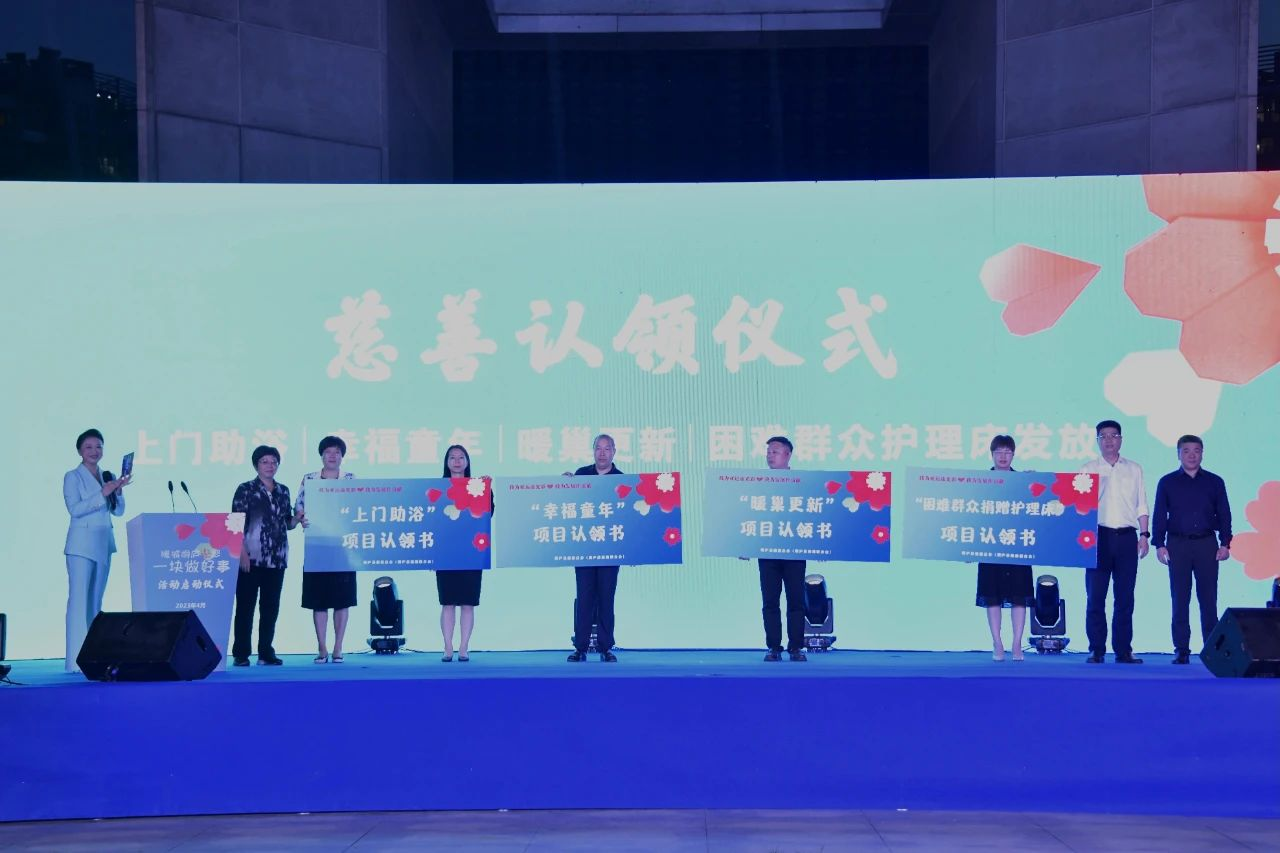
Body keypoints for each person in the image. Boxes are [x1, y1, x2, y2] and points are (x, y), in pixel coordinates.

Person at [1152, 435, 1233, 665]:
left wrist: (1225, 543)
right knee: (1180, 598)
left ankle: (1211, 650)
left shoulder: (1215, 482)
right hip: (1177, 545)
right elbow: (1159, 515)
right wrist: (1159, 544)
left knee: (1208, 599)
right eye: (1186, 450)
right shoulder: (1167, 482)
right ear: (1178, 454)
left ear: (1202, 453)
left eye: (1196, 450)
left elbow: (1224, 514)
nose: (1191, 455)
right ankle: (1181, 650)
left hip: (1207, 544)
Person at [1079, 420, 1150, 664]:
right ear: (1097, 440)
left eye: (1114, 435)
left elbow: (1141, 504)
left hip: (1127, 537)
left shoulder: (1134, 469)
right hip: (1097, 538)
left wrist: (1144, 535)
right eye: (1104, 436)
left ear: (1121, 439)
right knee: (1095, 596)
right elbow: (1079, 506)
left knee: (1125, 597)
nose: (1109, 440)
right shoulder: (1088, 469)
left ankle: (1123, 650)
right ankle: (1096, 649)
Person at [62, 428, 130, 673]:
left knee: (95, 602)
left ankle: (93, 656)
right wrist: (103, 493)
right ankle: (74, 660)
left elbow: (118, 511)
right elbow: (75, 509)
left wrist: (117, 492)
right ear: (80, 451)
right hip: (81, 545)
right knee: (79, 600)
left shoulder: (106, 475)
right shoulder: (73, 476)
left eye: (98, 446)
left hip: (103, 543)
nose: (94, 451)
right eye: (89, 447)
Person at [231, 445, 301, 666]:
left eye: (274, 462)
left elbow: (287, 523)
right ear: (256, 465)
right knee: (245, 606)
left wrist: (296, 519)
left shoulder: (283, 491)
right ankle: (241, 653)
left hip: (277, 557)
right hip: (251, 557)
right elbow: (235, 523)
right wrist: (241, 553)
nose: (270, 466)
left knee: (270, 608)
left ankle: (265, 652)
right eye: (265, 462)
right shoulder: (245, 489)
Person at [297, 436, 356, 664]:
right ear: (321, 455)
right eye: (328, 452)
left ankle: (338, 647)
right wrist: (301, 517)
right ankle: (322, 647)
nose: (332, 456)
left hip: (343, 546)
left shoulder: (350, 479)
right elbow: (299, 506)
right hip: (317, 546)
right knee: (318, 599)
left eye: (337, 452)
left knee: (342, 599)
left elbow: (358, 508)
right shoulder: (310, 479)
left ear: (342, 456)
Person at [975, 435, 1033, 662]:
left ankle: (1017, 643)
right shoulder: (979, 483)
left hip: (1019, 546)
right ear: (991, 455)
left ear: (1013, 455)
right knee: (992, 596)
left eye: (1007, 452)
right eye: (998, 452)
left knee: (1020, 596)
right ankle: (997, 642)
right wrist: (967, 547)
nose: (1003, 456)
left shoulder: (1023, 481)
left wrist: (1036, 484)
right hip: (990, 546)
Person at [567, 434, 623, 663]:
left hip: (610, 550)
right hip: (585, 549)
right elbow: (569, 504)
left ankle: (606, 647)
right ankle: (580, 647)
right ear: (593, 451)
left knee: (607, 599)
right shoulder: (581, 475)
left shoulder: (622, 480)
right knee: (584, 598)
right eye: (598, 448)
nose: (602, 453)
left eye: (607, 448)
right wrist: (564, 486)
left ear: (614, 452)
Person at [759, 436, 807, 662]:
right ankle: (773, 647)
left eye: (775, 451)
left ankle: (796, 647)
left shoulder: (802, 483)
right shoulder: (758, 484)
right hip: (767, 551)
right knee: (770, 601)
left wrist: (822, 545)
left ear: (788, 455)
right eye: (768, 451)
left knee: (796, 600)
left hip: (794, 551)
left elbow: (812, 515)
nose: (770, 455)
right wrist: (742, 544)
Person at [437, 444, 485, 662]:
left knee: (467, 602)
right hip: (445, 552)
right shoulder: (437, 488)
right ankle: (448, 647)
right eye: (452, 457)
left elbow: (488, 514)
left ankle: (464, 647)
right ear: (446, 462)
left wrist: (486, 490)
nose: (457, 461)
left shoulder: (478, 486)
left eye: (461, 457)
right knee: (447, 602)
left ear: (467, 461)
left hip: (472, 551)